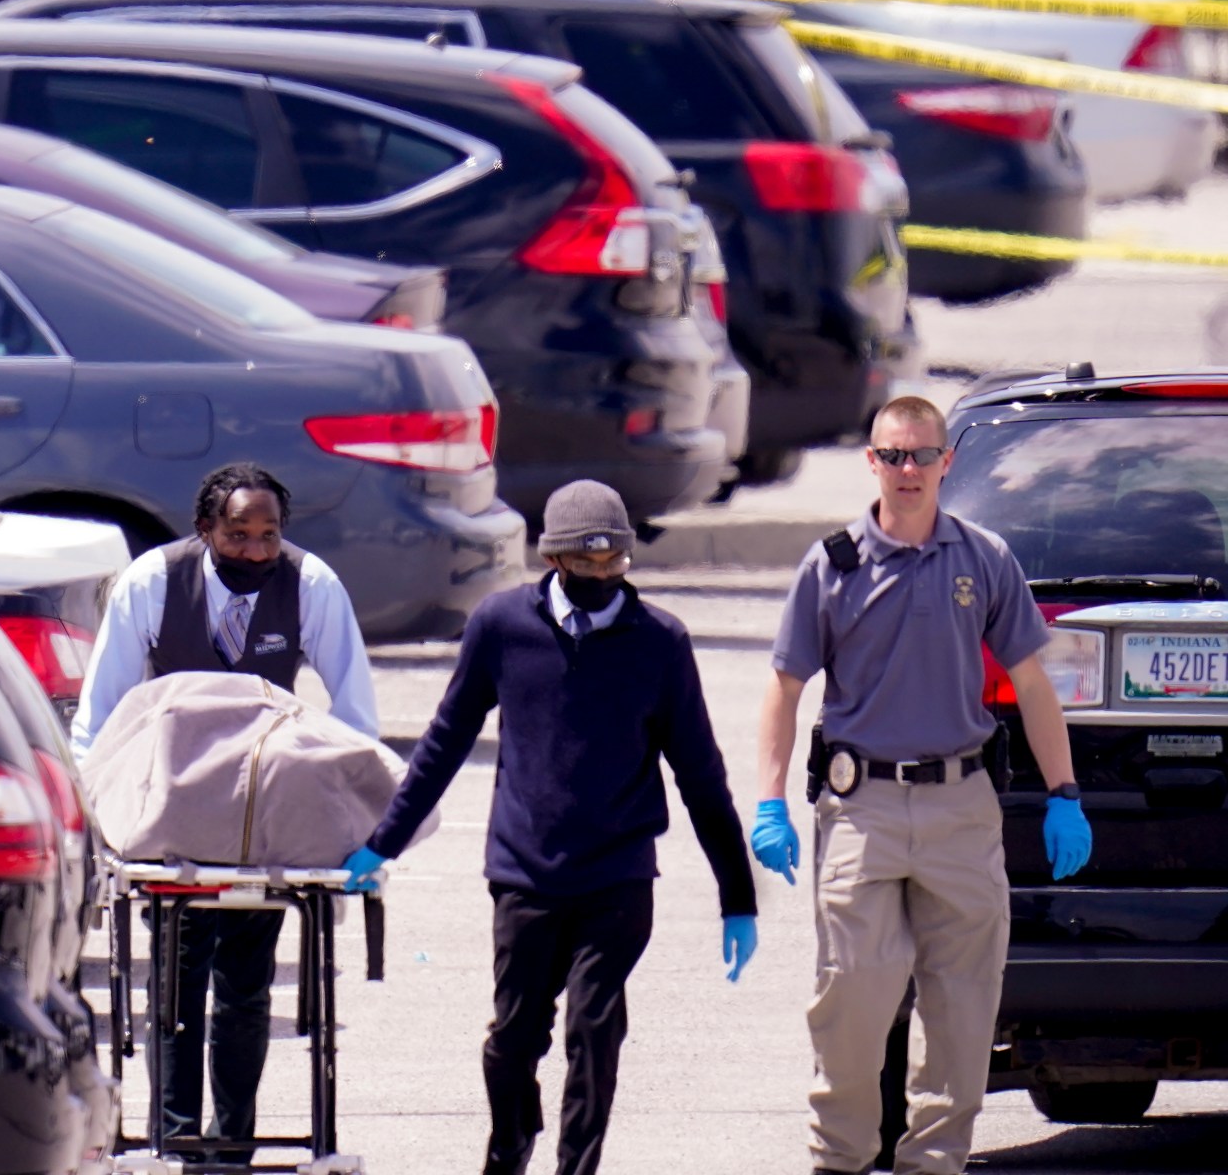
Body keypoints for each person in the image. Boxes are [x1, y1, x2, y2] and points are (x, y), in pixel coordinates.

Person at [342, 480, 758, 1175]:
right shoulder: (502, 626)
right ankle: (510, 1144)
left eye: (613, 564)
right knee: (513, 1037)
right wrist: (384, 841)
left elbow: (701, 774)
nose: (601, 577)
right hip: (524, 868)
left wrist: (736, 894)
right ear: (555, 561)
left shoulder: (659, 642)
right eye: (585, 564)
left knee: (595, 1029)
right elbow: (446, 739)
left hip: (617, 874)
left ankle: (576, 1166)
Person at [750, 395, 1091, 1175]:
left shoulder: (983, 558)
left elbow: (1033, 684)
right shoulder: (831, 566)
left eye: (921, 455)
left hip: (960, 809)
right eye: (892, 455)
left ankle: (935, 1163)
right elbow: (784, 686)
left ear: (947, 462)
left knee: (963, 1013)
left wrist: (1064, 792)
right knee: (854, 1001)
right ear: (871, 462)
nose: (908, 470)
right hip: (861, 807)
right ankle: (839, 1158)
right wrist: (770, 801)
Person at [71, 462, 380, 1160]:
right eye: (238, 534)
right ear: (205, 529)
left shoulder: (312, 586)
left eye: (268, 535)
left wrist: (348, 819)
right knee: (177, 980)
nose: (255, 550)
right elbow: (100, 714)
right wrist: (99, 823)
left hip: (260, 810)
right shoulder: (152, 584)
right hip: (175, 807)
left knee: (246, 986)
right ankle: (176, 1143)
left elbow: (354, 713)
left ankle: (231, 1146)